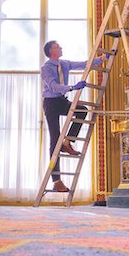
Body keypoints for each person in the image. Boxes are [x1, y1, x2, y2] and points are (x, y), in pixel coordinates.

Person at [40, 40, 100, 193]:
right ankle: (56, 181)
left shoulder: (65, 63)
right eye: (57, 46)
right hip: (50, 103)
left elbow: (84, 64)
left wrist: (101, 60)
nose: (61, 48)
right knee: (55, 139)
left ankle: (68, 142)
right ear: (51, 51)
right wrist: (72, 87)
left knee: (82, 110)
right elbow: (53, 86)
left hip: (62, 100)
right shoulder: (46, 68)